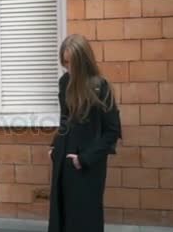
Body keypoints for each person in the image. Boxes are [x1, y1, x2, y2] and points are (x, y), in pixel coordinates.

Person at [48, 34, 122, 232]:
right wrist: (55, 146)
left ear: (83, 60)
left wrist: (84, 159)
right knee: (61, 217)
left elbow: (112, 132)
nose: (67, 68)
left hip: (88, 166)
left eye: (71, 63)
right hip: (63, 160)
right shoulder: (64, 82)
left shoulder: (100, 87)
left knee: (84, 220)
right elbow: (65, 120)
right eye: (64, 62)